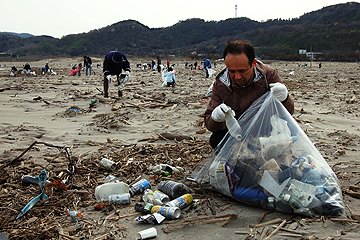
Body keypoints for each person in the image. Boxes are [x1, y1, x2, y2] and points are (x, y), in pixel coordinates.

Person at [204, 40, 294, 149]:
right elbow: (210, 124)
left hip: (265, 129)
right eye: (231, 71)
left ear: (253, 63)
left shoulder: (268, 76)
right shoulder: (221, 84)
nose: (237, 77)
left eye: (242, 71)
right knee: (216, 140)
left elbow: (288, 113)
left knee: (292, 130)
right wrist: (216, 117)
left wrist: (284, 98)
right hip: (238, 134)